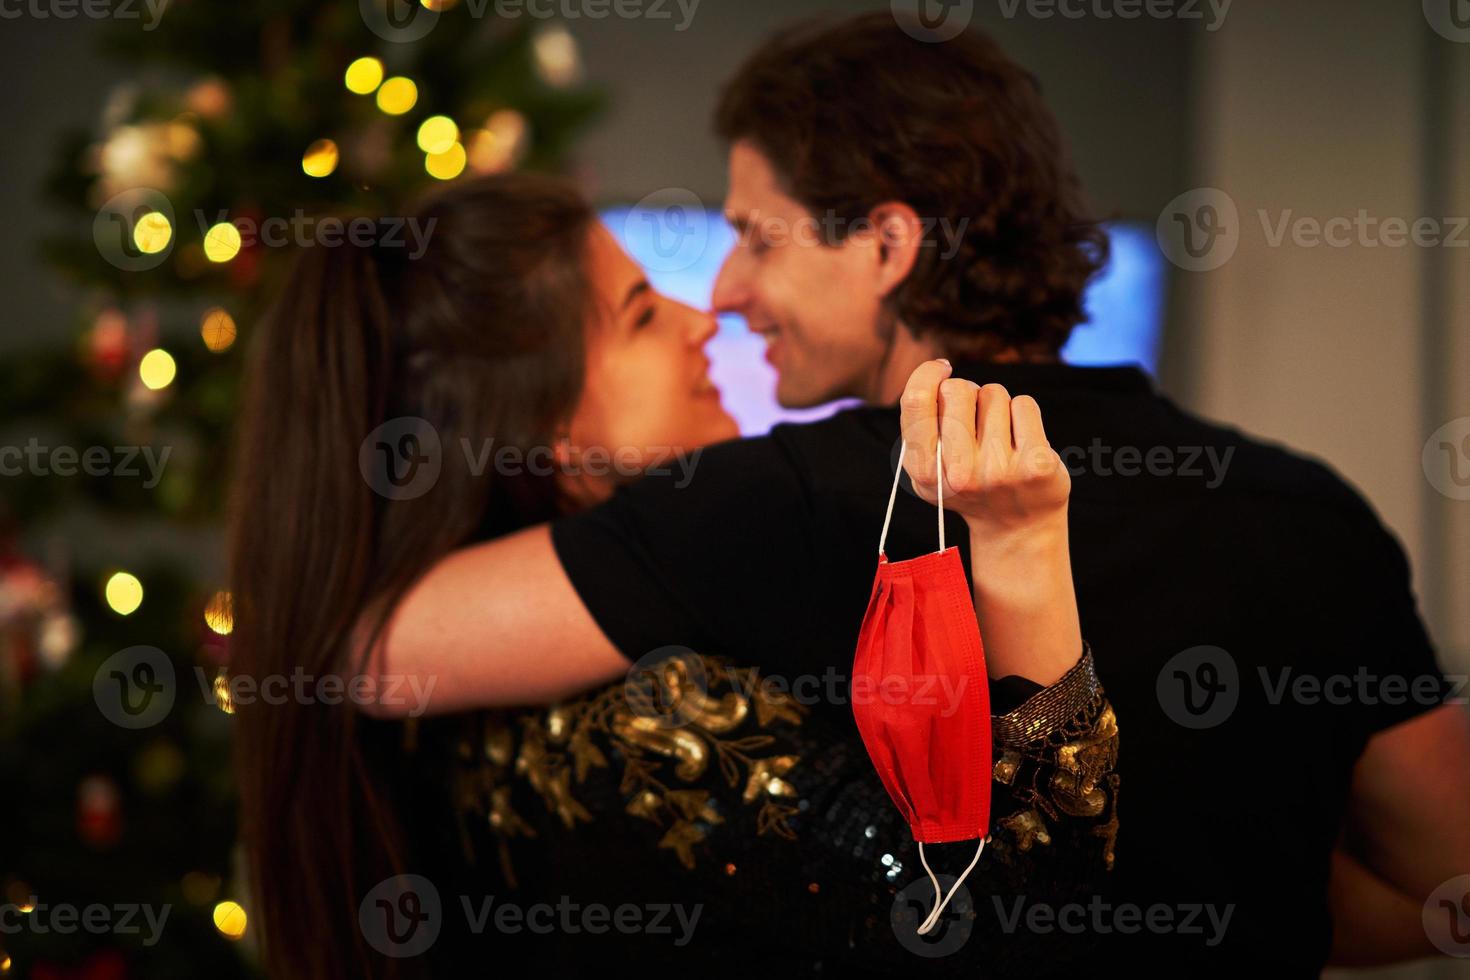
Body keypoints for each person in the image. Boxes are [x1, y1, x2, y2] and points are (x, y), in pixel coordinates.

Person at [371, 11, 1470, 974]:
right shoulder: (1308, 513)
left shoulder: (770, 500)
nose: (728, 289)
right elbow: (1444, 883)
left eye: (757, 235)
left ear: (888, 243)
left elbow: (384, 651)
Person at [228, 171, 1113, 978]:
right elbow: (1020, 937)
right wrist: (1024, 544)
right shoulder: (656, 725)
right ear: (552, 435)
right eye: (643, 314)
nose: (702, 319)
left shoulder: (446, 701)